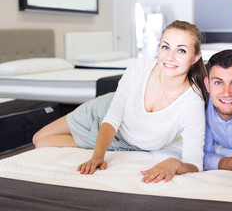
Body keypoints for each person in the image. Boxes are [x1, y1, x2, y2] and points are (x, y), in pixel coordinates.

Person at [33, 20, 209, 183]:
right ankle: (89, 141)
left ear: (195, 57)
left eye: (181, 50)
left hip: (123, 144)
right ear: (158, 47)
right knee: (38, 138)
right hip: (103, 114)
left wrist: (174, 163)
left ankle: (87, 141)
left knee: (43, 143)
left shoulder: (193, 101)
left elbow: (194, 163)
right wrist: (97, 156)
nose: (170, 57)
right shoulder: (138, 68)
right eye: (165, 47)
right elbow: (112, 118)